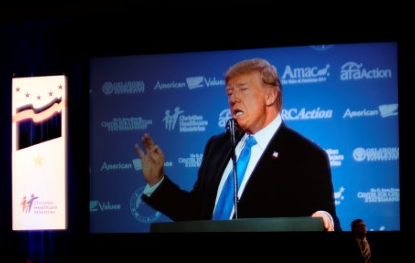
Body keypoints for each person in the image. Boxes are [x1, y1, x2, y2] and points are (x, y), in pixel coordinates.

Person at [134, 57, 340, 231]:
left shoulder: (306, 155)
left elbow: (325, 214)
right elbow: (196, 214)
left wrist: (323, 219)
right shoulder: (217, 146)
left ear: (270, 95)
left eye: (242, 89)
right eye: (230, 93)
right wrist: (158, 181)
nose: (233, 99)